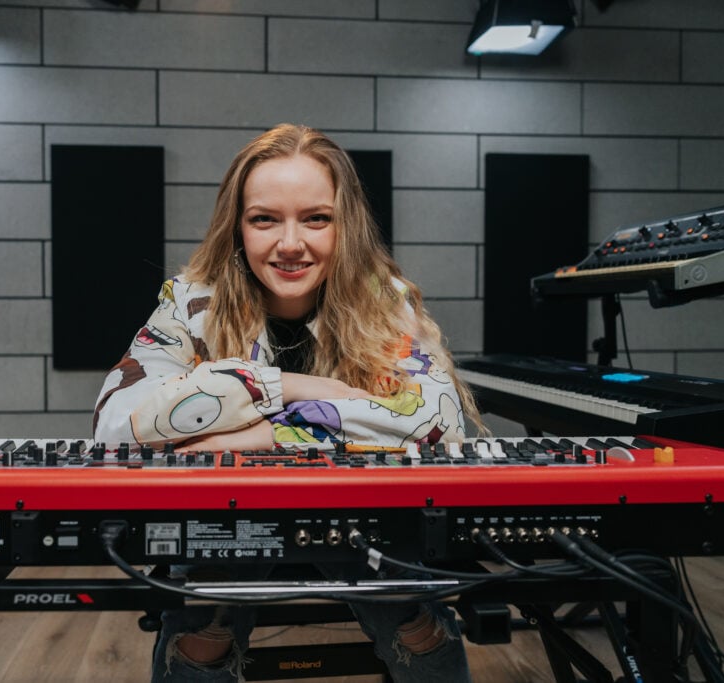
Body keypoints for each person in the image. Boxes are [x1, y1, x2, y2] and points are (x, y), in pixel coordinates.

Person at [94, 124, 483, 682]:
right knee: (202, 633)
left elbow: (437, 421)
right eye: (265, 219)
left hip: (362, 516)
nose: (291, 243)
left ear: (344, 226)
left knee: (416, 627)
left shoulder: (381, 298)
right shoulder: (191, 301)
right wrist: (289, 387)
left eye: (316, 218)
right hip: (231, 516)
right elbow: (115, 425)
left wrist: (265, 435)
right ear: (238, 227)